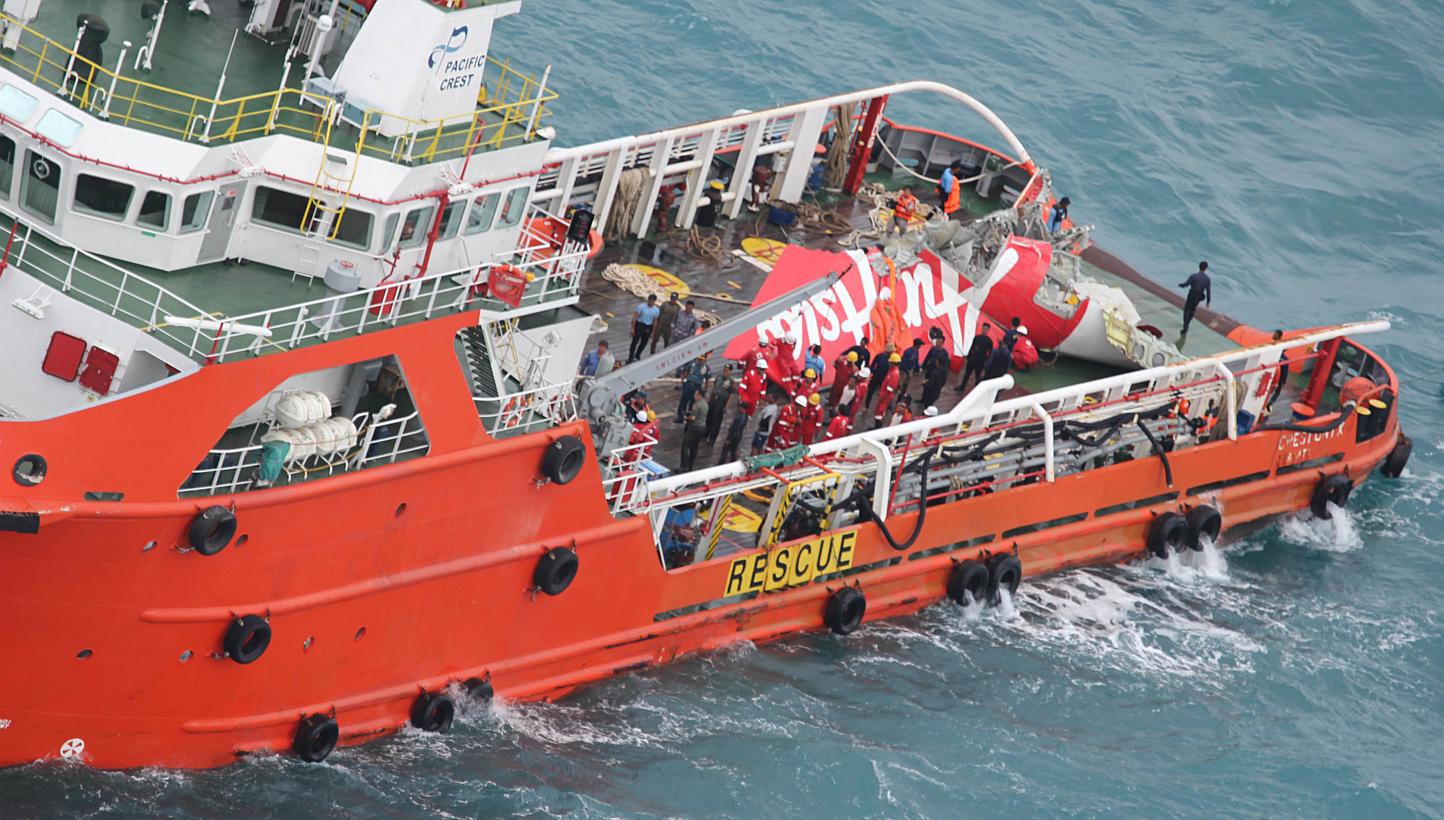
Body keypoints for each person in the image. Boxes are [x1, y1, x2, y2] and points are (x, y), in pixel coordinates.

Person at [1178, 261, 1212, 335]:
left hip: (1192, 295)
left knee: (1187, 310)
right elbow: (1208, 291)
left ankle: (1185, 326)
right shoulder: (1207, 279)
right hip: (1199, 297)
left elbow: (1186, 284)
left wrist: (1180, 285)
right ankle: (1188, 322)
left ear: (1199, 267)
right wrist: (1208, 302)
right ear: (1206, 268)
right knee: (1193, 309)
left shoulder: (1193, 276)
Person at [958, 322, 994, 392]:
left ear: (988, 330)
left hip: (980, 362)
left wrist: (985, 361)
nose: (984, 330)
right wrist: (968, 356)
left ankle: (977, 390)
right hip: (972, 359)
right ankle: (962, 386)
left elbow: (990, 353)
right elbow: (972, 347)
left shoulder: (989, 341)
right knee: (967, 374)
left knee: (977, 376)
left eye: (985, 329)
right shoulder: (977, 337)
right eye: (983, 329)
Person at [705, 364, 735, 445]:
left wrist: (726, 406)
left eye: (727, 371)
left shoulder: (731, 381)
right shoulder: (718, 377)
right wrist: (709, 399)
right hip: (713, 400)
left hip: (721, 402)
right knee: (709, 417)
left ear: (730, 372)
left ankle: (712, 438)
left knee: (716, 421)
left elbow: (731, 395)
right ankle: (706, 433)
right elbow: (714, 387)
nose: (725, 372)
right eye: (724, 370)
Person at [921, 331, 952, 408]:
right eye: (937, 341)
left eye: (939, 342)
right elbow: (928, 357)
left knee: (931, 386)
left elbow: (945, 366)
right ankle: (923, 399)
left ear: (942, 343)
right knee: (926, 386)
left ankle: (927, 402)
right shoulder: (933, 349)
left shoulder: (944, 353)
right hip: (930, 370)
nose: (937, 343)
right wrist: (923, 366)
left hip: (936, 372)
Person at [675, 355, 710, 421]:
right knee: (683, 400)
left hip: (697, 385)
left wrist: (705, 389)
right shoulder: (691, 365)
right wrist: (683, 381)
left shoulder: (706, 368)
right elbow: (686, 373)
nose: (700, 361)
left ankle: (689, 416)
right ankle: (680, 416)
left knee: (693, 402)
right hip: (689, 383)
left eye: (701, 360)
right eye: (699, 359)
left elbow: (707, 380)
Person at [627, 294, 659, 363]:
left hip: (648, 326)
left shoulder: (656, 310)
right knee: (634, 342)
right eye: (650, 300)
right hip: (640, 324)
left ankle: (637, 355)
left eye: (653, 301)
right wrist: (632, 328)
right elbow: (635, 317)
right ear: (648, 300)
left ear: (654, 301)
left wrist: (653, 332)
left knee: (644, 343)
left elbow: (655, 321)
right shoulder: (641, 307)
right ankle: (630, 357)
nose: (651, 302)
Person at [872, 352, 901, 428]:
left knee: (880, 412)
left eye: (890, 362)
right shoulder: (892, 371)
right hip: (884, 395)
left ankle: (877, 428)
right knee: (879, 411)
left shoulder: (894, 374)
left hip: (885, 397)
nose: (889, 363)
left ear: (894, 363)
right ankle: (876, 427)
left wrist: (882, 396)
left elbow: (890, 389)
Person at [866, 343, 896, 408]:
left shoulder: (891, 358)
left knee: (885, 393)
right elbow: (872, 366)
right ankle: (866, 406)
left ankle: (883, 406)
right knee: (870, 392)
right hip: (876, 377)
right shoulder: (879, 356)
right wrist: (873, 373)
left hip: (885, 378)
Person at [680, 406, 707, 471]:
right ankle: (690, 465)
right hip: (702, 428)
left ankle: (684, 467)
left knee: (685, 446)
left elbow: (693, 418)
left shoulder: (697, 405)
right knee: (694, 447)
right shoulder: (705, 405)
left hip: (694, 428)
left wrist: (686, 418)